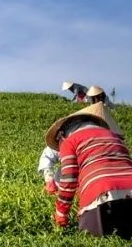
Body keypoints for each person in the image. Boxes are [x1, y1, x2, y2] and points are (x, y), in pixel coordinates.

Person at [46, 102, 132, 237]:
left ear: (62, 134)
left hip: (100, 193)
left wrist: (60, 216)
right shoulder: (114, 136)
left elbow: (69, 180)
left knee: (91, 235)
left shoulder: (70, 141)